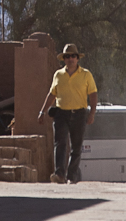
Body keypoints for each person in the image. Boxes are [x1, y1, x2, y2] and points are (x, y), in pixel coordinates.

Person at [38, 43, 98, 184]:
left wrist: (92, 113)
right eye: (67, 56)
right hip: (61, 114)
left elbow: (93, 94)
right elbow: (52, 94)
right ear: (64, 59)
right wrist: (42, 111)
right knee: (60, 144)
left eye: (73, 56)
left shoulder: (86, 74)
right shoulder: (58, 75)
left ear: (77, 58)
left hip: (79, 114)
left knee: (76, 147)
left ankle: (72, 176)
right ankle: (59, 174)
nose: (70, 59)